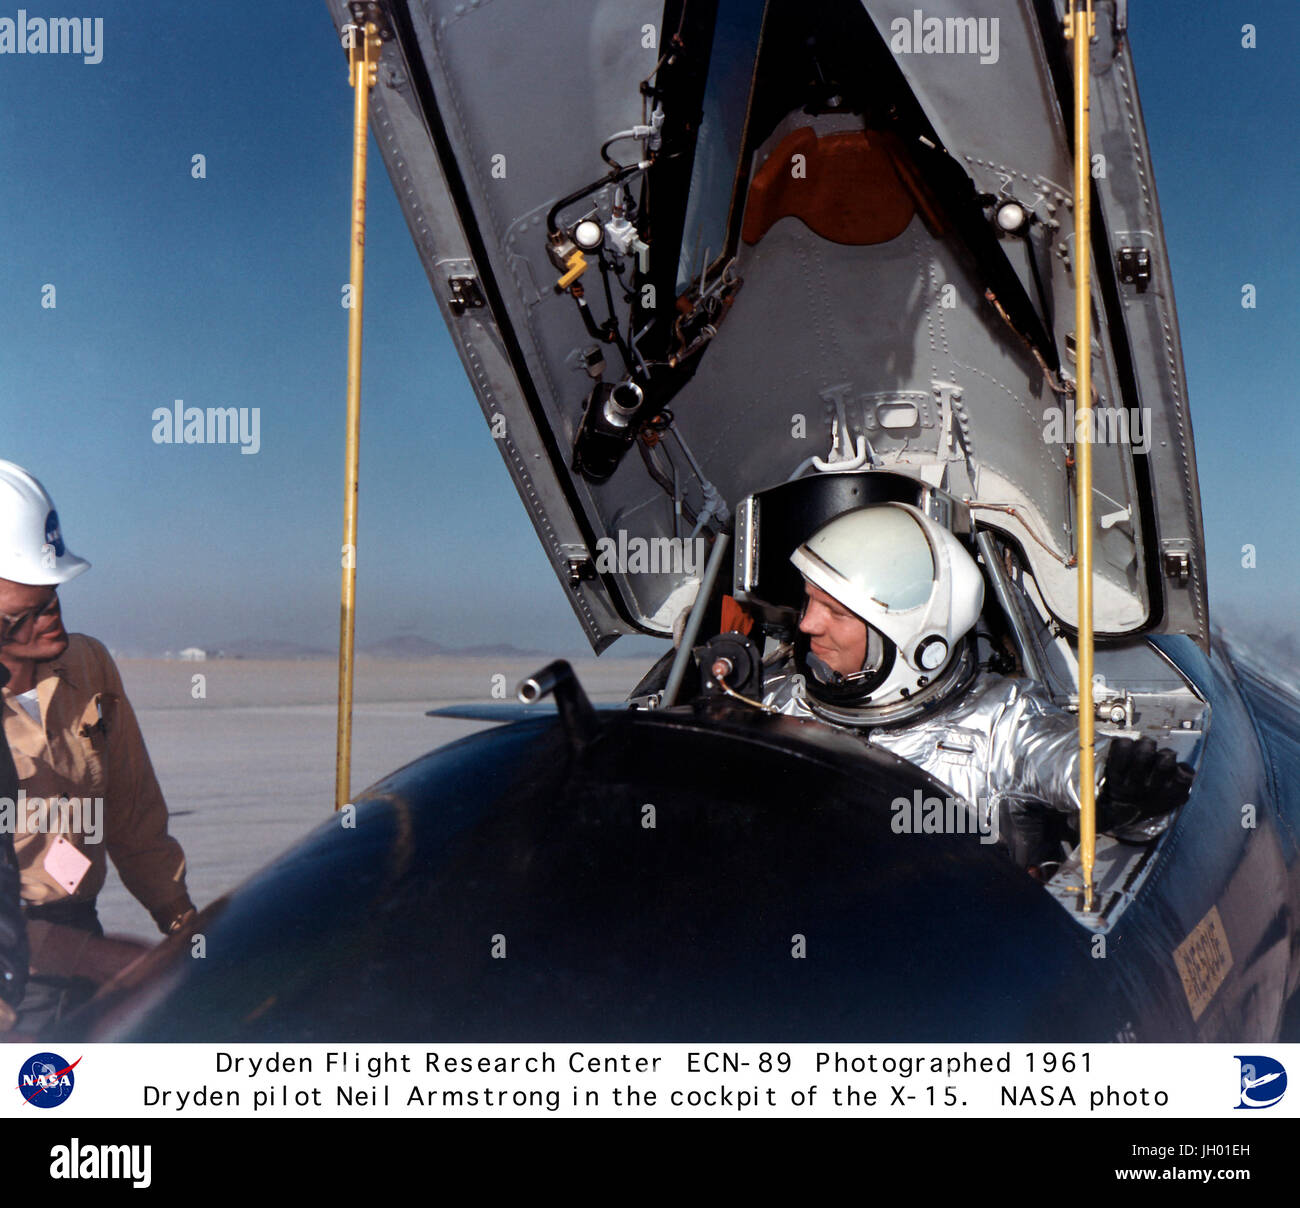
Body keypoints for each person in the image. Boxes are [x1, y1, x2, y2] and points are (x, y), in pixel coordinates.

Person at [759, 502, 1195, 870]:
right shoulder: (779, 698)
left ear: (916, 645)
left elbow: (1064, 761)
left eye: (836, 612)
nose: (806, 623)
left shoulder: (1000, 727)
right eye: (810, 599)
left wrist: (1121, 783)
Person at [0, 460, 195, 1026]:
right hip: (18, 973)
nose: (52, 615)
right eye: (26, 610)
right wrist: (94, 957)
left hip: (83, 940)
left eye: (54, 594)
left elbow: (132, 813)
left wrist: (181, 920)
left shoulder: (88, 665)